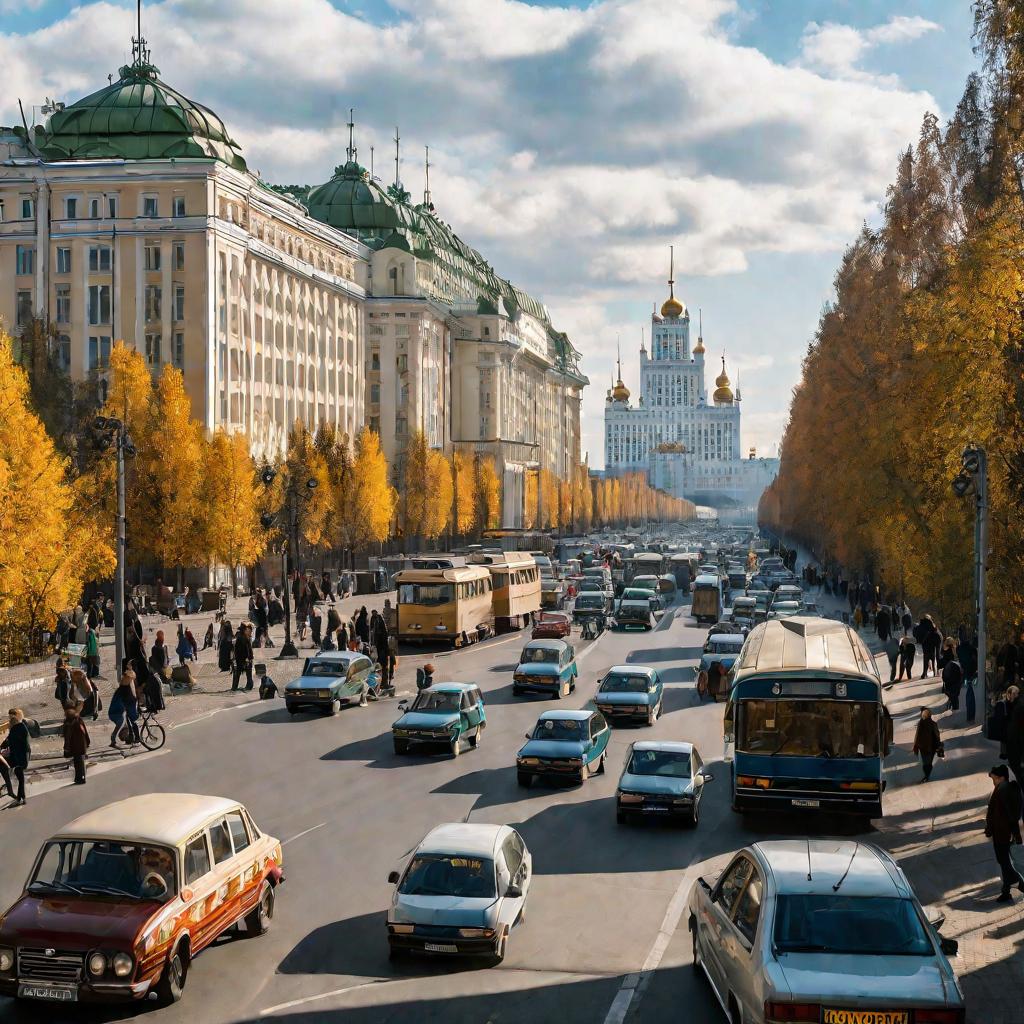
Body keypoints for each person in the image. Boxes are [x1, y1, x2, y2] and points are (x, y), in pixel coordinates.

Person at [985, 764, 1024, 902]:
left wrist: (1015, 834)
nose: (993, 781)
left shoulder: (1005, 790)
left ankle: (1021, 884)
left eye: (994, 778)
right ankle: (1006, 892)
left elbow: (1011, 815)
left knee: (1004, 862)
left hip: (1003, 833)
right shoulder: (1002, 788)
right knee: (1004, 861)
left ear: (1002, 778)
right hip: (1001, 832)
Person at [0, 709, 31, 805]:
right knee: (20, 776)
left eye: (11, 716)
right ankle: (21, 798)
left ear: (16, 716)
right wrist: (2, 746)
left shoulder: (21, 727)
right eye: (9, 716)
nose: (10, 718)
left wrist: (9, 749)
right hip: (17, 756)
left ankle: (19, 798)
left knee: (19, 775)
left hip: (21, 756)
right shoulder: (15, 728)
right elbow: (8, 740)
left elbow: (23, 745)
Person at [108, 671, 140, 748]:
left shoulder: (121, 689)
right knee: (128, 722)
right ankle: (114, 741)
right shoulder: (125, 691)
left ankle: (131, 739)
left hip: (114, 713)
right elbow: (131, 705)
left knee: (126, 723)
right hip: (117, 714)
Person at [62, 702, 90, 785]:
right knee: (80, 762)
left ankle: (80, 778)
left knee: (77, 763)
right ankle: (81, 777)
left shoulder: (68, 722)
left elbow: (67, 736)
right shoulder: (78, 719)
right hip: (81, 744)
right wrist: (88, 741)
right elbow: (84, 731)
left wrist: (66, 747)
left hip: (74, 745)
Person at [912, 708, 942, 782]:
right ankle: (927, 775)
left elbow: (917, 735)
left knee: (926, 762)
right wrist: (939, 745)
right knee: (929, 762)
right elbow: (937, 735)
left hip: (924, 747)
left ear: (923, 716)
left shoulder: (921, 723)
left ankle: (926, 776)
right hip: (933, 747)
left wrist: (915, 746)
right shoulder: (934, 724)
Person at [960, 635, 979, 724]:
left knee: (969, 693)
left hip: (965, 676)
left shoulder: (959, 649)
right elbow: (975, 663)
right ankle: (972, 716)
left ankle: (969, 715)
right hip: (973, 675)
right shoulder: (973, 650)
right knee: (972, 693)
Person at [232, 623, 254, 691]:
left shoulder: (244, 637)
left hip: (242, 658)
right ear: (245, 630)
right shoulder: (242, 638)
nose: (250, 632)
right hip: (243, 659)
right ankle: (247, 685)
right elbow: (245, 649)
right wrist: (247, 658)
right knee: (241, 673)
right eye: (249, 631)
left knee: (242, 673)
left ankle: (236, 687)